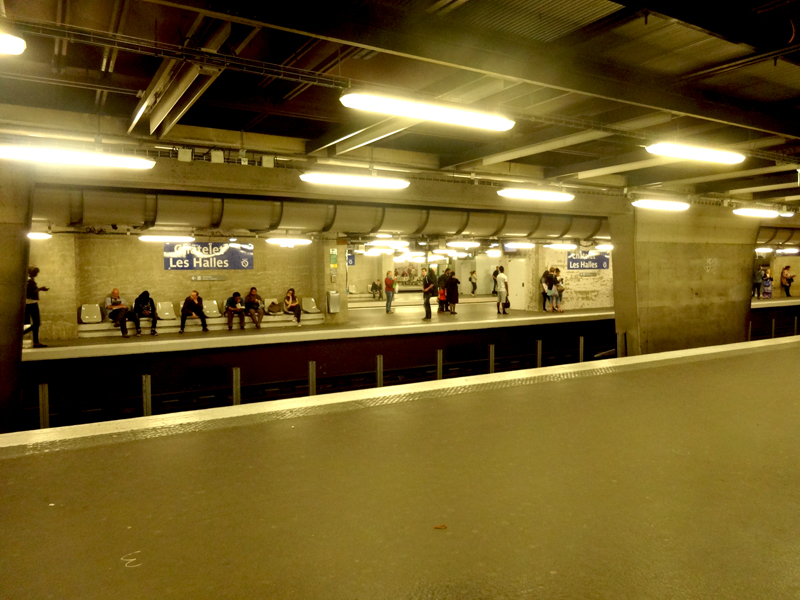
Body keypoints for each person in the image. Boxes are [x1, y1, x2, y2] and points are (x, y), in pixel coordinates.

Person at [25, 266, 49, 348]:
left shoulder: (29, 280)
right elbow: (29, 293)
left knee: (32, 323)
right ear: (30, 272)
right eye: (35, 272)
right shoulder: (29, 281)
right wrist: (40, 289)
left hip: (29, 303)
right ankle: (22, 335)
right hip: (31, 303)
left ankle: (36, 341)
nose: (36, 274)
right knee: (36, 323)